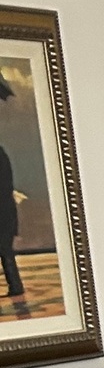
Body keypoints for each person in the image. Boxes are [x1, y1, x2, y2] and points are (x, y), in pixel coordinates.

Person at [0, 75, 27, 309]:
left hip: (2, 211)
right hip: (5, 211)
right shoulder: (2, 154)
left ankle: (16, 286)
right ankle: (15, 286)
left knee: (5, 251)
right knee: (6, 251)